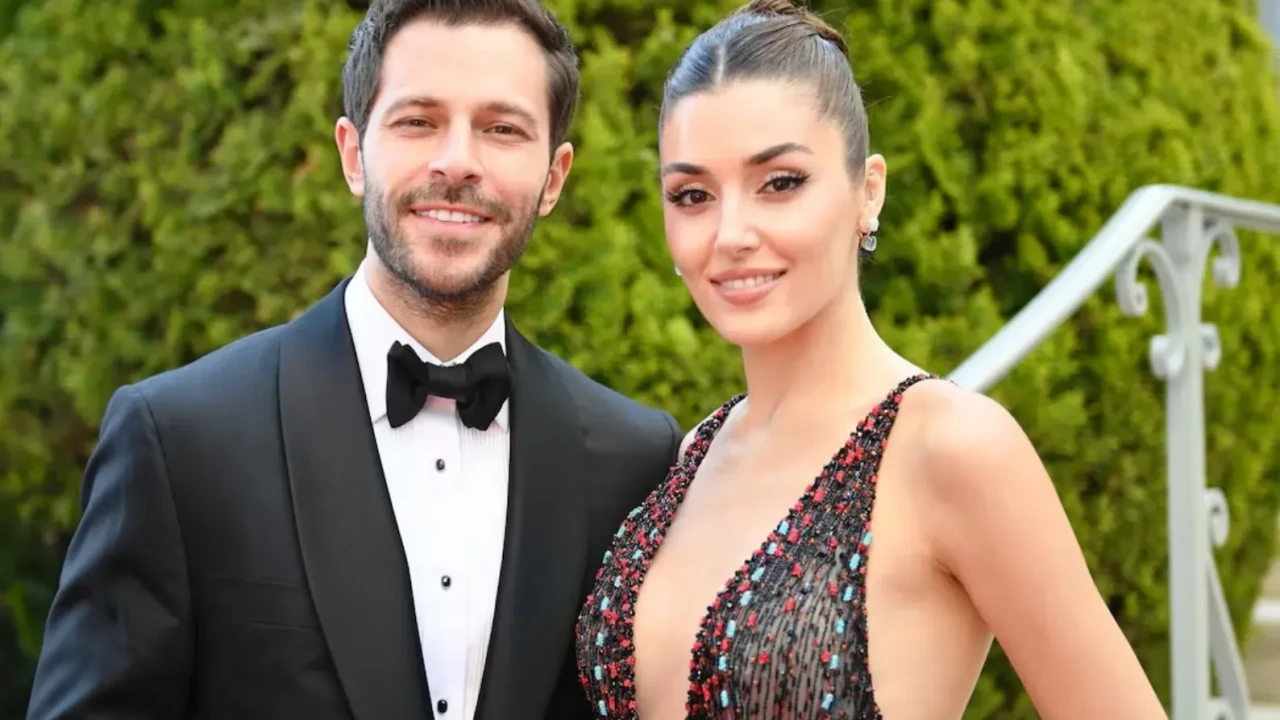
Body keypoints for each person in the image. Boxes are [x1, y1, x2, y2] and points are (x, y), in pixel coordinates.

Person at [25, 1, 681, 719]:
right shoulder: (178, 440)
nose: (457, 161)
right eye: (417, 121)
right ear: (352, 154)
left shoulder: (633, 459)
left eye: (502, 129)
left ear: (554, 177)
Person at [574, 0, 1169, 718]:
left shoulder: (952, 448)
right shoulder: (697, 452)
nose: (731, 233)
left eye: (780, 182)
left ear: (869, 191)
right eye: (692, 195)